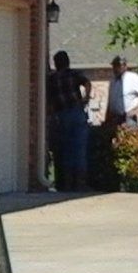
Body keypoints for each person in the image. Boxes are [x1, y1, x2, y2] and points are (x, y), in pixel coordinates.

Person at [97, 55, 138, 189]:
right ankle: (118, 183)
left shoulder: (131, 78)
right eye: (114, 66)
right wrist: (106, 120)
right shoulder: (113, 82)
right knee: (115, 152)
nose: (116, 68)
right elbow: (110, 103)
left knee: (131, 150)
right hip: (115, 120)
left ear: (124, 66)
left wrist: (137, 109)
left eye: (118, 65)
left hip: (128, 119)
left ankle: (133, 183)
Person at [45, 51, 91, 190]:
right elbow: (87, 83)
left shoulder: (52, 79)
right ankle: (80, 184)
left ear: (56, 63)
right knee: (79, 149)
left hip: (60, 115)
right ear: (68, 62)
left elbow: (49, 101)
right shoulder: (74, 74)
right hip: (77, 112)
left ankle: (65, 183)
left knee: (64, 149)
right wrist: (86, 98)